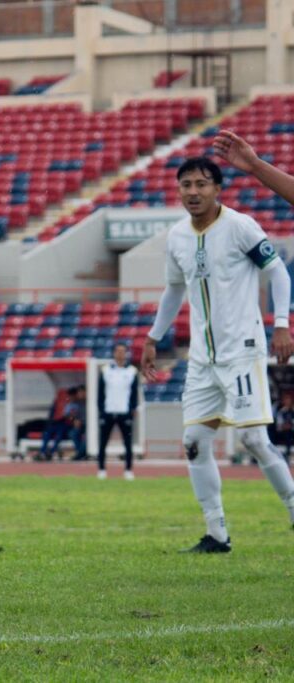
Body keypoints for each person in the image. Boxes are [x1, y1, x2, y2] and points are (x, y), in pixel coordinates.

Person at [141, 156, 294, 554]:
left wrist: (281, 323)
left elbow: (278, 272)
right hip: (202, 360)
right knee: (194, 441)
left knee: (254, 440)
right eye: (186, 184)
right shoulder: (176, 237)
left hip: (242, 351)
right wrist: (154, 337)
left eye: (202, 184)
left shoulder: (240, 226)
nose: (193, 191)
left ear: (217, 188)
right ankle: (217, 535)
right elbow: (174, 290)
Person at [97, 343, 139, 479]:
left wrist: (133, 408)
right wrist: (101, 410)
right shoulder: (106, 370)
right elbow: (100, 393)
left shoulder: (132, 371)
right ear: (114, 353)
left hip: (124, 411)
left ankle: (128, 470)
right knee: (103, 442)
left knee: (128, 443)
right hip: (108, 411)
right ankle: (101, 469)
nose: (120, 354)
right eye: (118, 351)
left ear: (126, 353)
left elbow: (134, 393)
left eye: (123, 351)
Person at [37, 388, 71, 461]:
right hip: (55, 423)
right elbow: (51, 415)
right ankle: (42, 452)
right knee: (46, 434)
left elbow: (68, 417)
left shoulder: (68, 403)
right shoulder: (56, 403)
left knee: (59, 435)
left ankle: (51, 452)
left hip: (63, 423)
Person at [272, 394, 294, 463]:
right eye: (286, 400)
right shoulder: (281, 412)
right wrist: (285, 426)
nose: (287, 402)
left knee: (290, 433)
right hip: (283, 433)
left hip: (292, 431)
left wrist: (290, 426)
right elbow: (279, 426)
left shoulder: (293, 411)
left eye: (289, 400)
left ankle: (290, 454)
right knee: (286, 434)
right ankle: (286, 455)